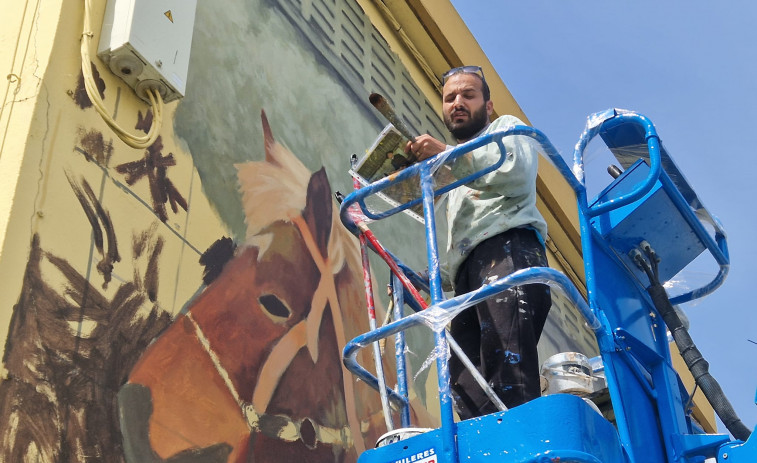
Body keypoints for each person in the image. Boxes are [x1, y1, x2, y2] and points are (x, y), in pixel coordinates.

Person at [404, 66, 551, 419]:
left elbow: (514, 174)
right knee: (466, 386)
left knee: (507, 374)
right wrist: (426, 279)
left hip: (511, 255)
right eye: (450, 97)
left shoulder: (506, 128)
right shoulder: (456, 174)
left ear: (487, 105)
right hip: (473, 275)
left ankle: (518, 451)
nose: (457, 102)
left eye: (468, 95)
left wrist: (447, 157)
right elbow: (464, 250)